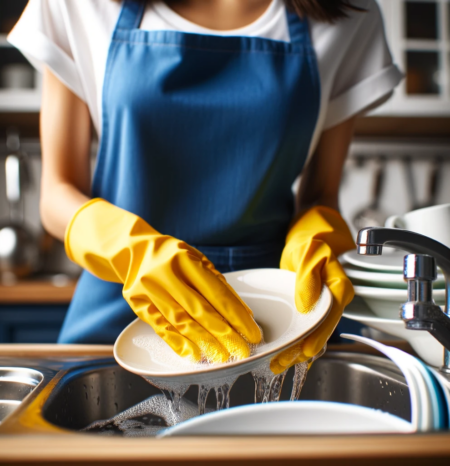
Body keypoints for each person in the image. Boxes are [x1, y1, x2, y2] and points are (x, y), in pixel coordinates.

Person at [9, 0, 402, 372]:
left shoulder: (347, 15)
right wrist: (128, 250)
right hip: (120, 310)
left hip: (272, 323)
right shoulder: (76, 5)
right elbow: (56, 193)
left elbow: (320, 194)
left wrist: (317, 233)